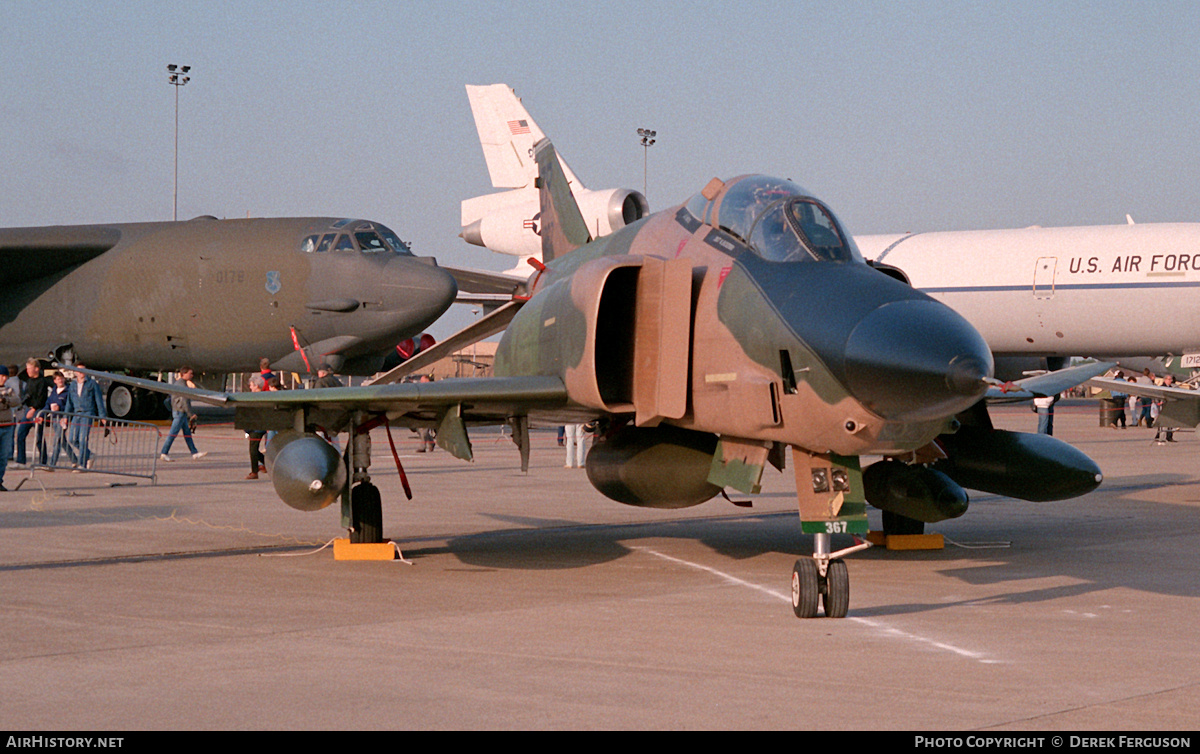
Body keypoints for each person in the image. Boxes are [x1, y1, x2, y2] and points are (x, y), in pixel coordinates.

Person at [159, 367, 208, 462]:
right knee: (172, 434)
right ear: (184, 374)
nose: (192, 375)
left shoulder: (178, 383)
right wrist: (191, 414)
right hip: (180, 412)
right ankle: (164, 453)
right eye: (190, 373)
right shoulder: (182, 385)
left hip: (179, 412)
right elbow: (185, 401)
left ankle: (194, 453)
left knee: (187, 433)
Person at [63, 364, 106, 470]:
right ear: (75, 372)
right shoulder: (72, 385)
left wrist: (102, 416)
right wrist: (65, 416)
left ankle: (82, 464)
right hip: (76, 413)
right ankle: (89, 454)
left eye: (82, 370)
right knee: (72, 439)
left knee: (83, 439)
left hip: (87, 413)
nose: (80, 372)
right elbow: (69, 402)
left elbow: (98, 401)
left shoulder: (92, 384)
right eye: (78, 370)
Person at [15, 359, 52, 467]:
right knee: (20, 434)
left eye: (30, 369)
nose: (28, 371)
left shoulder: (42, 381)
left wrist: (33, 409)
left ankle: (43, 461)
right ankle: (21, 461)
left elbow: (41, 398)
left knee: (39, 438)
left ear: (36, 369)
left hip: (37, 411)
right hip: (28, 409)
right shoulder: (29, 381)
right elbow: (27, 395)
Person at [42, 371, 72, 468]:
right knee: (62, 441)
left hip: (62, 418)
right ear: (54, 381)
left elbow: (69, 405)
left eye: (62, 378)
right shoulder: (53, 391)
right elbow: (48, 403)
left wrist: (62, 411)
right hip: (54, 419)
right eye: (58, 379)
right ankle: (75, 460)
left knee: (57, 440)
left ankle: (52, 464)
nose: (61, 381)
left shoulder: (68, 391)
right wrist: (42, 414)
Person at [0, 366, 21, 491]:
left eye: (5, 376)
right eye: (1, 376)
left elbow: (16, 401)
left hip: (7, 426)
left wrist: (4, 400)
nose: (3, 378)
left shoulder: (9, 390)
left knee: (3, 457)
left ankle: (0, 480)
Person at [245, 376, 267, 479]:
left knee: (253, 449)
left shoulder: (256, 398)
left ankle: (254, 472)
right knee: (254, 449)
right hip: (258, 426)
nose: (250, 387)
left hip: (256, 427)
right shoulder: (262, 396)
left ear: (256, 386)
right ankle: (267, 464)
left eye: (251, 385)